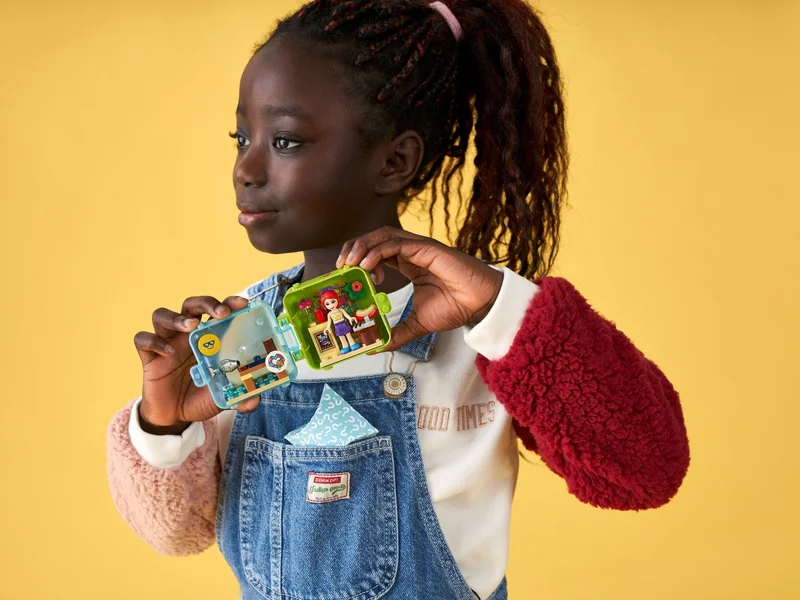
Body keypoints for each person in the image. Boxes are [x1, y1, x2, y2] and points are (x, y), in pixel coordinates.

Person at [106, 1, 690, 599]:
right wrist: (162, 424)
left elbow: (645, 471)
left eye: (284, 141)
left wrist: (504, 311)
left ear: (394, 161)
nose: (245, 169)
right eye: (242, 138)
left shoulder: (487, 328)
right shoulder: (241, 337)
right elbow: (175, 533)